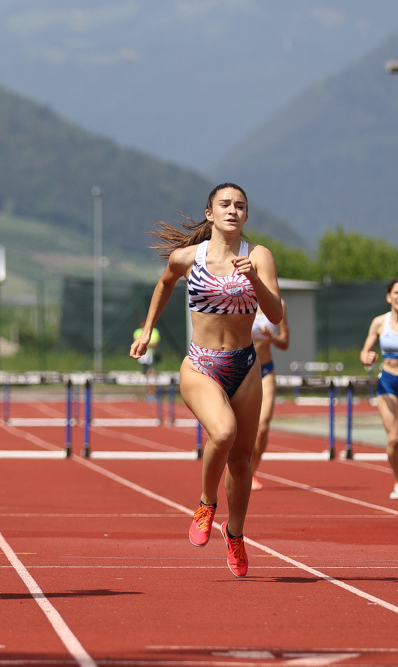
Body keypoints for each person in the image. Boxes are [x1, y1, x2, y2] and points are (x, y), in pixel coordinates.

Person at [131, 183, 282, 577]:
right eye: (225, 204)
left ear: (246, 215)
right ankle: (205, 502)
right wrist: (146, 330)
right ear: (210, 213)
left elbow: (276, 315)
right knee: (224, 431)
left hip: (245, 365)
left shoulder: (259, 256)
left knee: (242, 461)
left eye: (240, 206)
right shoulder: (187, 257)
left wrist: (256, 280)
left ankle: (235, 533)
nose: (233, 210)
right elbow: (165, 283)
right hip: (202, 364)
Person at [359, 278, 398, 500]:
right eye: (396, 293)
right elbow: (365, 351)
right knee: (394, 439)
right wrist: (367, 358)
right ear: (388, 297)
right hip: (389, 384)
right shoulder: (379, 323)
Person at [249, 300, 289, 490]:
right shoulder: (240, 296)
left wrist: (271, 336)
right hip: (242, 370)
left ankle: (251, 472)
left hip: (266, 370)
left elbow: (285, 342)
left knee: (263, 426)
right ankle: (236, 468)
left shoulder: (278, 304)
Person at [132, 321, 161, 398]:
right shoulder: (137, 332)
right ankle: (148, 393)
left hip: (151, 355)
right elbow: (136, 343)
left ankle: (153, 393)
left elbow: (155, 343)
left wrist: (144, 345)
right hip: (142, 356)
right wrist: (144, 345)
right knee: (144, 374)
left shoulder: (154, 331)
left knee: (151, 373)